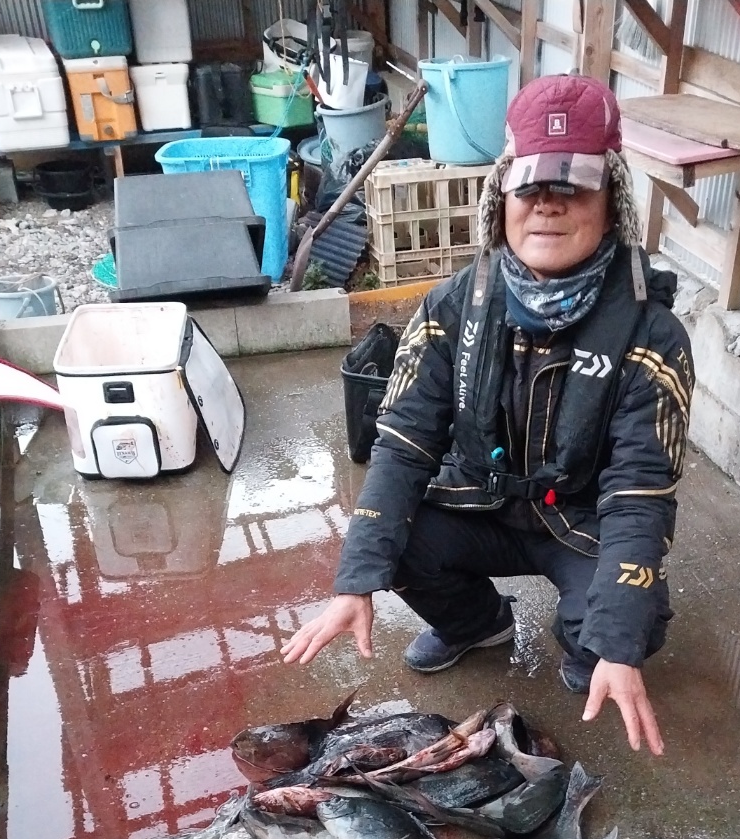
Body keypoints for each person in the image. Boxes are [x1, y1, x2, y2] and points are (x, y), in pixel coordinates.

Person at [282, 73, 694, 755]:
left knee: (623, 627)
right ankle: (477, 624)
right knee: (392, 542)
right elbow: (402, 446)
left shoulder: (653, 336)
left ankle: (591, 646)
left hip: (580, 523)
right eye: (529, 188)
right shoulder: (450, 307)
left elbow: (638, 495)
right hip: (479, 502)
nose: (547, 206)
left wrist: (617, 643)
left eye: (573, 188)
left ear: (612, 203)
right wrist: (356, 582)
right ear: (501, 199)